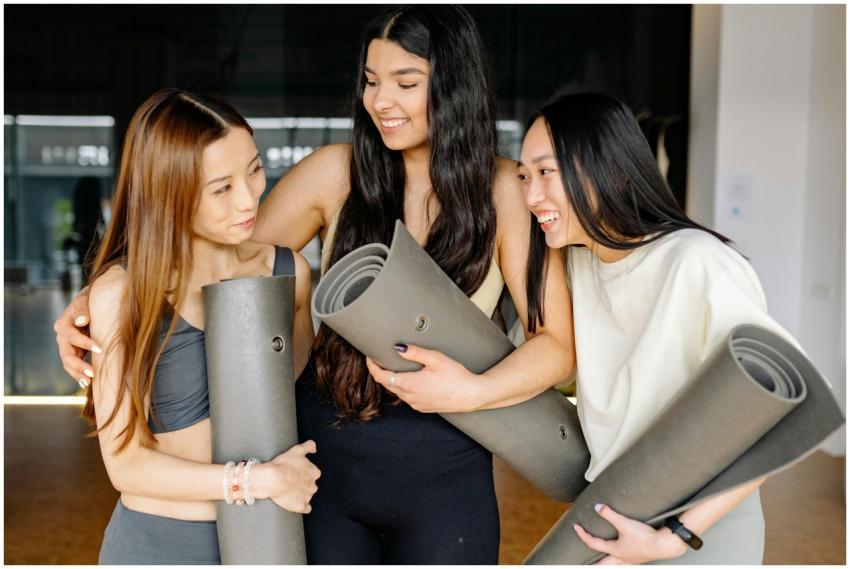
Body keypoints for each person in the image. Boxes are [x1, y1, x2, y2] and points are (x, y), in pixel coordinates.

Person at [54, 6, 574, 564]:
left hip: (446, 471)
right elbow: (217, 259)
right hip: (322, 468)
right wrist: (96, 304)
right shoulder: (334, 173)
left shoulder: (504, 191)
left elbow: (557, 350)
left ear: (455, 85)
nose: (381, 101)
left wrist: (470, 393)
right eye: (371, 82)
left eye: (406, 82)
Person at [518, 92, 794, 564]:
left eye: (547, 173)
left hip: (703, 525)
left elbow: (780, 418)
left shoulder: (696, 263)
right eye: (524, 177)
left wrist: (674, 538)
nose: (530, 196)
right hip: (620, 513)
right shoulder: (578, 267)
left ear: (608, 166)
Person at [82, 88, 320, 564]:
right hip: (158, 544)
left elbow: (288, 415)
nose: (250, 198)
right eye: (221, 188)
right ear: (170, 193)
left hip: (267, 540)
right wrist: (255, 480)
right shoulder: (123, 294)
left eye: (254, 169)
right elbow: (126, 465)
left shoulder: (287, 275)